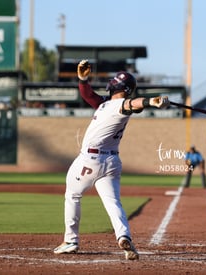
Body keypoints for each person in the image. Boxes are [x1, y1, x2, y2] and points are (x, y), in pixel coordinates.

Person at [53, 60, 170, 260]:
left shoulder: (118, 105)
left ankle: (71, 240)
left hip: (91, 159)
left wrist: (150, 101)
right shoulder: (106, 105)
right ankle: (123, 235)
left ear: (116, 85)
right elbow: (87, 95)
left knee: (72, 194)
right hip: (111, 163)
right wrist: (82, 79)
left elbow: (132, 104)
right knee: (112, 201)